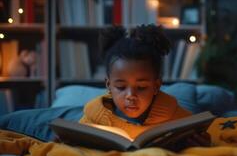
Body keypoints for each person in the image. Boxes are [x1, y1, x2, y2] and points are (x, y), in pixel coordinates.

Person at [79, 24, 210, 147]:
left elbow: (199, 136)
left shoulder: (178, 118)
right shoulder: (94, 116)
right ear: (108, 85)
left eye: (141, 88)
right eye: (121, 87)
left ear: (156, 86)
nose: (131, 96)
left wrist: (203, 143)